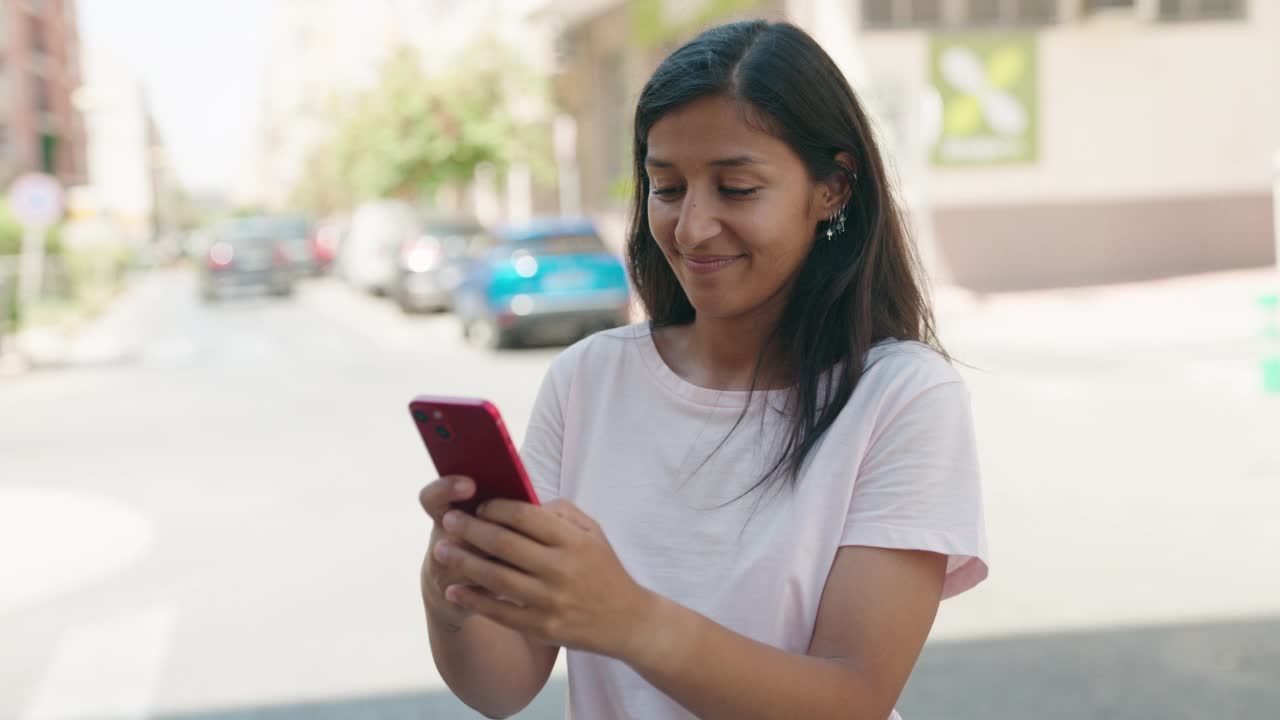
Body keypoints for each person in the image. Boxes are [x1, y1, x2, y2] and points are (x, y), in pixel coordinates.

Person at [417, 20, 988, 720]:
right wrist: (450, 590)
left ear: (833, 189)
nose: (691, 228)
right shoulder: (589, 379)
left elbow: (854, 698)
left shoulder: (900, 397)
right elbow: (501, 689)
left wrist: (628, 618)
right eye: (667, 187)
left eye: (737, 188)